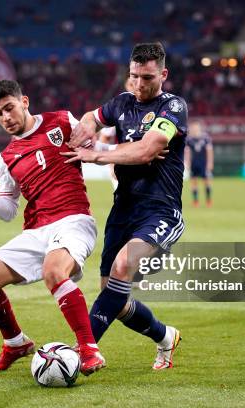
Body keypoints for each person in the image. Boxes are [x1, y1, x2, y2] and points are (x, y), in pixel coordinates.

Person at [0, 79, 105, 376]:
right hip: (36, 230)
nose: (6, 118)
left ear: (24, 102)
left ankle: (89, 349)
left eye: (9, 108)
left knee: (54, 271)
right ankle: (15, 343)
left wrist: (98, 148)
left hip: (74, 220)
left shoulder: (62, 121)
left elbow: (96, 147)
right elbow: (9, 211)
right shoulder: (7, 158)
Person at [63, 42, 186, 370]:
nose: (139, 85)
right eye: (134, 77)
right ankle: (165, 336)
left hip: (160, 210)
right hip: (123, 211)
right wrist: (88, 130)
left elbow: (147, 151)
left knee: (121, 268)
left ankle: (81, 353)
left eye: (147, 78)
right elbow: (92, 116)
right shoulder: (121, 102)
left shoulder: (173, 107)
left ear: (163, 74)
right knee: (115, 300)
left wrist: (98, 153)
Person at [185, 120, 214, 207]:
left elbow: (209, 151)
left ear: (199, 128)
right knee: (194, 182)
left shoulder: (205, 138)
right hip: (194, 163)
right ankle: (195, 201)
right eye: (193, 127)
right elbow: (187, 152)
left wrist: (210, 163)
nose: (194, 129)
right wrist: (187, 163)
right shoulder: (189, 139)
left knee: (207, 182)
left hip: (203, 163)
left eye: (196, 127)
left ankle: (208, 200)